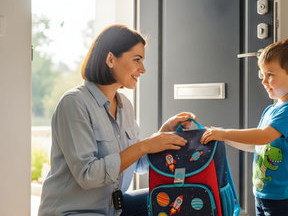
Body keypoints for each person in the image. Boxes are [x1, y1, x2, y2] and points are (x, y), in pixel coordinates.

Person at [38, 24, 196, 216]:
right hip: (73, 212)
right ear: (110, 59)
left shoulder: (125, 106)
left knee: (180, 198)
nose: (143, 69)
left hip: (113, 209)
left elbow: (137, 164)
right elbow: (88, 175)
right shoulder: (74, 104)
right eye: (137, 60)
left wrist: (164, 134)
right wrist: (145, 145)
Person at [201, 38, 288, 216]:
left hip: (283, 198)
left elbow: (263, 136)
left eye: (270, 75)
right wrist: (222, 137)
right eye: (262, 75)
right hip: (263, 193)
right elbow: (255, 145)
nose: (264, 81)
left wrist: (224, 133)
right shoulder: (271, 109)